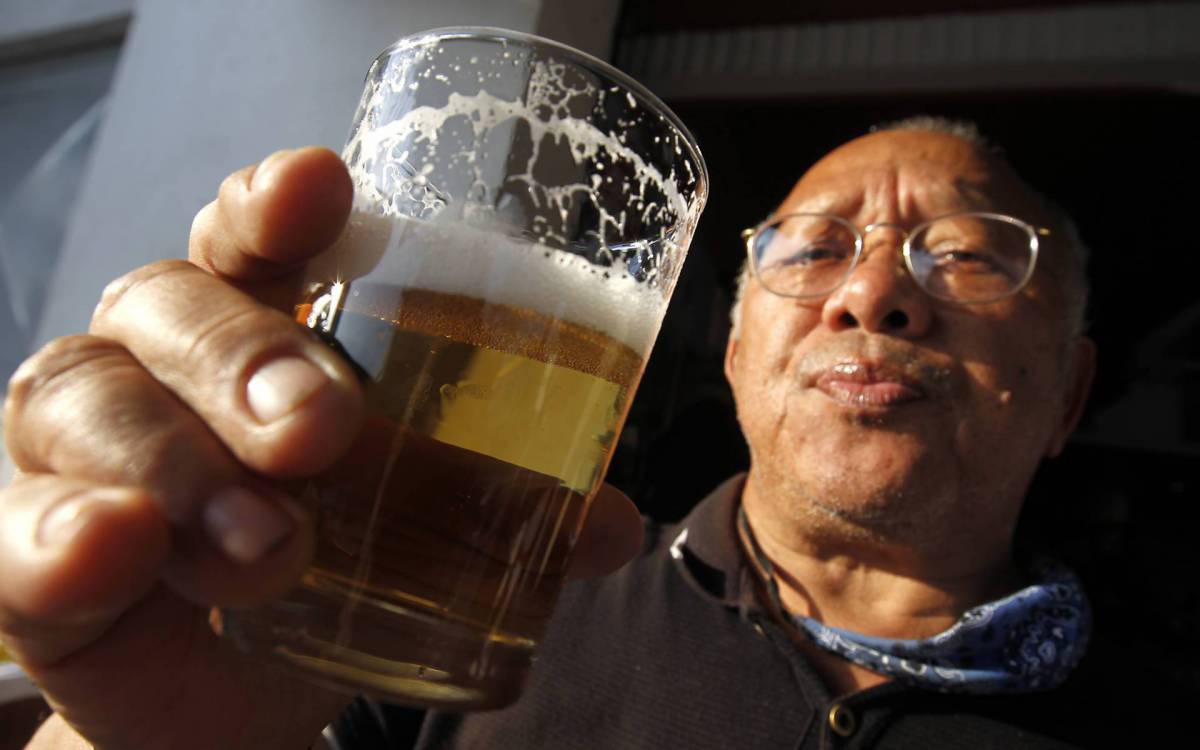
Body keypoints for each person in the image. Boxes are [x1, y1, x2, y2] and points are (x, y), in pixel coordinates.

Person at [1, 118, 1138, 749]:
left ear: (1072, 397)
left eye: (972, 253)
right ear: (737, 356)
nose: (874, 293)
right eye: (811, 248)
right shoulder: (467, 598)